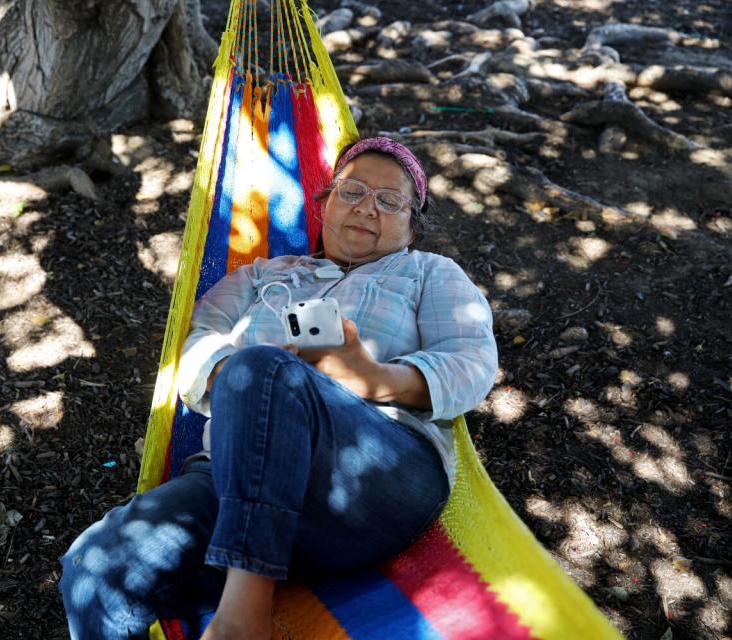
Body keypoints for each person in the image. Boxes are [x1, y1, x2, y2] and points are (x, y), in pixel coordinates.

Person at [59, 137, 499, 640]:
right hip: (233, 477)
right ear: (324, 202)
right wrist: (260, 387)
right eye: (353, 191)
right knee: (95, 568)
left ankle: (243, 616)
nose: (366, 208)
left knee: (263, 370)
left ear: (412, 225)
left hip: (374, 476)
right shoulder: (260, 277)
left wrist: (372, 377)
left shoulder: (429, 273)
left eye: (389, 200)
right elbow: (197, 351)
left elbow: (470, 363)